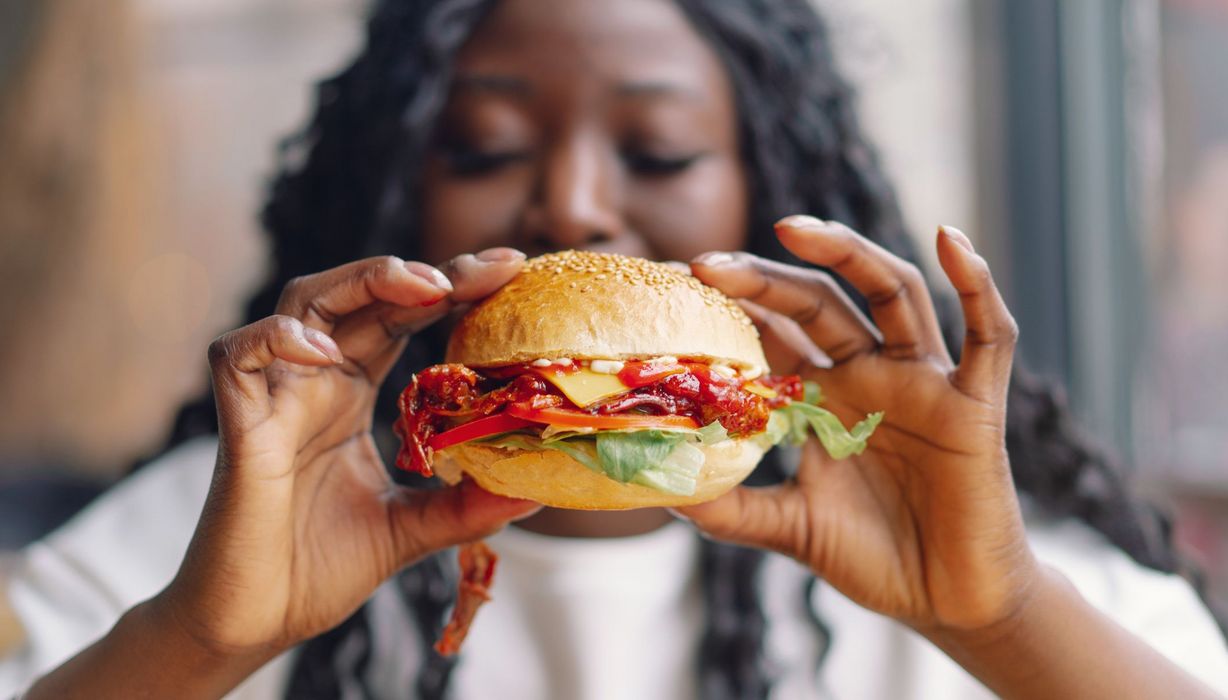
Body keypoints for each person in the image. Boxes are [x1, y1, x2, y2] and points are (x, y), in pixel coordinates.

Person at [3, 0, 1227, 697]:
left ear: (767, 197)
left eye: (658, 155)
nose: (574, 209)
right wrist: (203, 644)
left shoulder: (979, 544)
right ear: (396, 204)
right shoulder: (218, 534)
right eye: (482, 149)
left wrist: (997, 615)